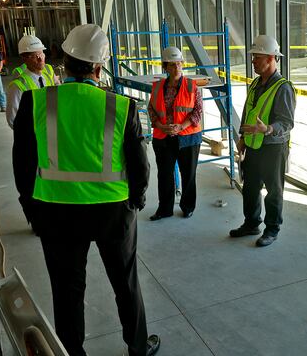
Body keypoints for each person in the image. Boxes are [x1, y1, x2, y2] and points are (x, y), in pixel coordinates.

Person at [12, 24, 160, 356]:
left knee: (66, 291)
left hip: (55, 213)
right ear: (98, 66)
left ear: (64, 60)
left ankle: (71, 352)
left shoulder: (36, 103)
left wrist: (31, 210)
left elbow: (22, 166)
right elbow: (139, 166)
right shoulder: (121, 106)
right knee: (126, 283)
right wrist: (135, 201)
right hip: (113, 212)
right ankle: (137, 347)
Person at [229, 35, 296, 247]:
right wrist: (242, 137)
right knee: (250, 188)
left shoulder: (283, 87)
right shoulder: (256, 83)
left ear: (270, 58)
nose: (253, 62)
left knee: (274, 191)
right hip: (253, 145)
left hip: (273, 148)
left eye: (256, 57)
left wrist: (268, 129)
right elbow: (248, 111)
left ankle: (272, 229)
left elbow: (286, 122)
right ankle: (251, 223)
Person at [147, 46, 203, 220]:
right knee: (164, 174)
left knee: (188, 173)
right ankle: (164, 209)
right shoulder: (157, 87)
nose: (176, 67)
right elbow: (151, 109)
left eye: (178, 63)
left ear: (182, 64)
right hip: (163, 137)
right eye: (171, 65)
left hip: (188, 137)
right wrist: (160, 125)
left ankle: (187, 207)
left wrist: (181, 126)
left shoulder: (191, 86)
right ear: (165, 67)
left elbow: (197, 112)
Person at [6, 35, 57, 128]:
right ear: (24, 58)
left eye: (41, 53)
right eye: (35, 56)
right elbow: (12, 119)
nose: (40, 59)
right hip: (35, 136)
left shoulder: (49, 70)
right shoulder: (18, 85)